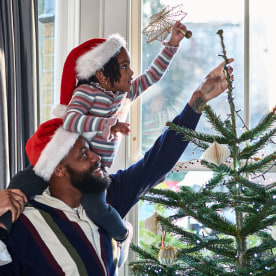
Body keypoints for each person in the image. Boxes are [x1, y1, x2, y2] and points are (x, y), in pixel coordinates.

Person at [0, 58, 234, 275]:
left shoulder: (107, 197)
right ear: (58, 169)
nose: (95, 158)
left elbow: (158, 161)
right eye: (83, 154)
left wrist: (198, 101)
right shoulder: (24, 225)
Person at [0, 22, 188, 247]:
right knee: (21, 183)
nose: (132, 72)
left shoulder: (124, 95)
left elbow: (152, 76)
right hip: (64, 162)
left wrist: (172, 46)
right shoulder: (86, 92)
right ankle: (2, 232)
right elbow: (71, 119)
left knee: (98, 208)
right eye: (125, 66)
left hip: (94, 173)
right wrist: (107, 125)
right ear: (102, 76)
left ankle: (122, 236)